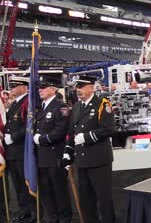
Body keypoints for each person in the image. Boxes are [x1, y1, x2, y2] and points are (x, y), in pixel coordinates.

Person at [62, 75, 115, 223]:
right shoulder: (77, 106)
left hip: (98, 159)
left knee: (104, 199)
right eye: (76, 87)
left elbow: (108, 128)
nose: (77, 90)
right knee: (86, 200)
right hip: (82, 160)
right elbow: (72, 132)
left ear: (91, 87)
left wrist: (86, 137)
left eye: (81, 87)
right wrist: (68, 153)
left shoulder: (102, 104)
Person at [34, 75, 73, 222]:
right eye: (40, 87)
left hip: (55, 155)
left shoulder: (61, 107)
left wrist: (41, 139)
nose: (40, 90)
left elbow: (61, 131)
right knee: (46, 190)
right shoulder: (40, 107)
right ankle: (52, 217)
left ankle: (64, 217)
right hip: (42, 157)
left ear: (53, 89)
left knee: (59, 190)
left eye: (44, 87)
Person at [4, 77, 37, 223]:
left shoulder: (27, 103)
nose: (11, 88)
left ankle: (33, 211)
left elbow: (29, 126)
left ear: (24, 88)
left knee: (26, 183)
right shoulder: (14, 104)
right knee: (17, 184)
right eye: (11, 86)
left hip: (23, 151)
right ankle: (24, 210)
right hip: (11, 152)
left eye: (14, 85)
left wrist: (13, 137)